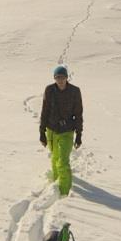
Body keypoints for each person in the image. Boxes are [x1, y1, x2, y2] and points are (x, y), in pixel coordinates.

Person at [38, 65, 83, 196]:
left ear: (66, 77)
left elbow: (78, 114)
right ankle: (55, 182)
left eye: (62, 77)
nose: (60, 80)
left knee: (63, 161)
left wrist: (79, 135)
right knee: (55, 158)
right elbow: (44, 111)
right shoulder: (49, 90)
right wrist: (42, 132)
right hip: (51, 130)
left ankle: (64, 192)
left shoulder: (74, 91)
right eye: (58, 78)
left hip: (67, 131)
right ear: (54, 78)